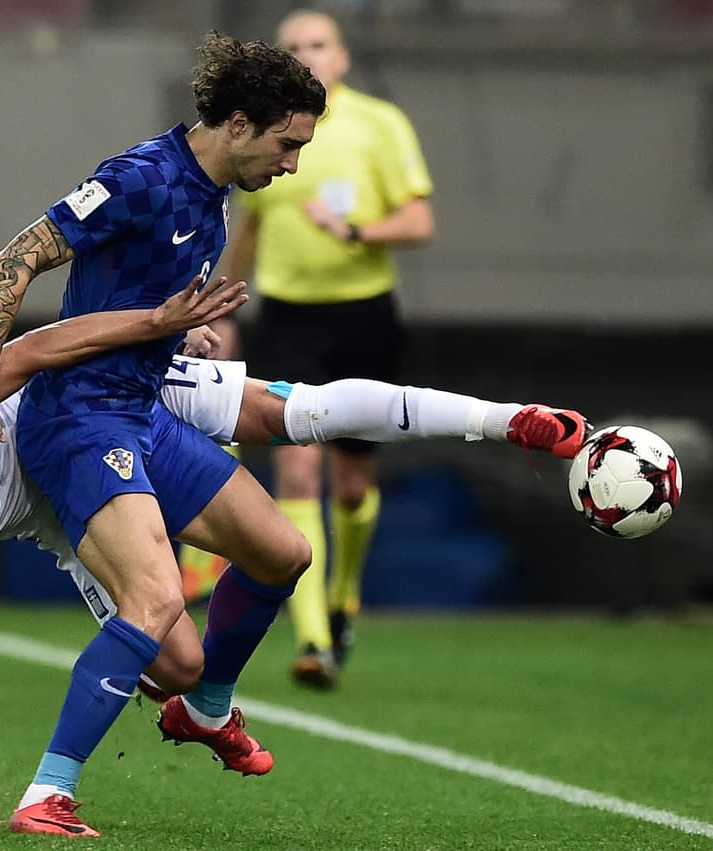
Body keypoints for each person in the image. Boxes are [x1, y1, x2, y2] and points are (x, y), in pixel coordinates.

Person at [0, 291, 586, 837]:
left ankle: (510, 419)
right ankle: (200, 706)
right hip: (61, 502)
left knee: (300, 411)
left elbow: (26, 351)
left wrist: (151, 334)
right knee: (176, 663)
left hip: (85, 402)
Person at [0, 31, 330, 837]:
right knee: (153, 600)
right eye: (288, 145)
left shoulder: (215, 197)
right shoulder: (139, 178)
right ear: (241, 122)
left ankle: (206, 709)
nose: (293, 164)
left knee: (284, 553)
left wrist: (179, 337)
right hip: (78, 419)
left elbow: (128, 302)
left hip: (141, 412)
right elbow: (15, 259)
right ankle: (46, 792)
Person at [221, 10, 436, 688]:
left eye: (317, 44)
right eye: (293, 47)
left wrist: (355, 228)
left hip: (364, 316)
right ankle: (312, 636)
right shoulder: (265, 130)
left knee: (351, 482)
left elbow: (419, 218)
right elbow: (249, 229)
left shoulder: (380, 124)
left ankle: (344, 593)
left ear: (341, 57)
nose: (307, 55)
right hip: (287, 320)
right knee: (297, 474)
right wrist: (220, 305)